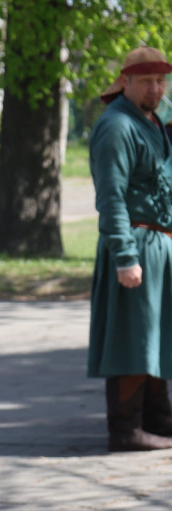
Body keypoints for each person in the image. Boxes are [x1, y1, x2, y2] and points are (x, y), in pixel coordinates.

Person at [88, 46, 172, 452]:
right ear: (126, 82)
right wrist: (125, 255)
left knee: (156, 335)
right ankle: (126, 428)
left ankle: (159, 419)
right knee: (132, 337)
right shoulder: (118, 126)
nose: (157, 89)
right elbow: (111, 196)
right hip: (134, 245)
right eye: (147, 81)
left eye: (162, 81)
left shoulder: (151, 117)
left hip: (159, 243)